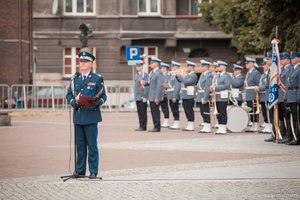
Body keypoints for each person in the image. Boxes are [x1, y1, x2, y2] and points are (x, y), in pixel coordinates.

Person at [66, 47, 107, 179]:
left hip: (91, 116)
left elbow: (104, 96)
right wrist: (73, 102)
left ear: (91, 64)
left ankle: (93, 171)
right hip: (78, 116)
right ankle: (80, 171)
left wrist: (98, 102)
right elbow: (68, 95)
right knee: (80, 146)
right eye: (81, 61)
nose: (82, 63)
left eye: (85, 61)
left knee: (92, 146)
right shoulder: (74, 79)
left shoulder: (97, 78)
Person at [271, 53, 293, 143]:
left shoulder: (288, 69)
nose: (282, 61)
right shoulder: (282, 69)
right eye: (281, 59)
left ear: (288, 60)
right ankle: (282, 135)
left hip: (285, 96)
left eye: (284, 59)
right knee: (281, 117)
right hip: (280, 96)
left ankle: (289, 135)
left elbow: (286, 84)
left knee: (287, 117)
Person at [210, 60, 232, 134]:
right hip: (216, 96)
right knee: (218, 113)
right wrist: (212, 87)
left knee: (222, 112)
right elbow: (214, 83)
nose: (218, 67)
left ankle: (223, 127)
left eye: (219, 66)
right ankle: (220, 126)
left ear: (223, 67)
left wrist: (216, 87)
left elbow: (226, 85)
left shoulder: (227, 76)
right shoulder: (217, 75)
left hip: (223, 96)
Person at [176, 61, 198, 131]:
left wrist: (180, 76)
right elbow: (181, 81)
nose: (186, 68)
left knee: (189, 110)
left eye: (188, 66)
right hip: (186, 95)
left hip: (189, 95)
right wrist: (177, 76)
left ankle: (191, 125)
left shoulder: (193, 75)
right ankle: (189, 124)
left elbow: (186, 82)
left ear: (191, 67)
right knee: (186, 110)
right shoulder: (188, 75)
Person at [285, 51, 300, 145]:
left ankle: (297, 137)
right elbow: (287, 85)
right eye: (291, 58)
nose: (292, 59)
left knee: (297, 118)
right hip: (290, 96)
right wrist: (286, 98)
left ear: (298, 58)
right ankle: (294, 136)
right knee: (293, 118)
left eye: (294, 58)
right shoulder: (291, 69)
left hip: (295, 96)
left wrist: (299, 97)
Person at [147, 57, 164, 132]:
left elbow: (159, 86)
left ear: (156, 64)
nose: (150, 64)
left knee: (156, 112)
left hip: (155, 96)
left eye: (152, 63)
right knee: (153, 112)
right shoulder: (153, 73)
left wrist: (157, 97)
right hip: (151, 96)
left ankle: (157, 127)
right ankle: (155, 126)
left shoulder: (159, 73)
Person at [244, 57, 261, 132]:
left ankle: (256, 125)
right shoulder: (249, 72)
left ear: (252, 64)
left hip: (254, 94)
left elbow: (258, 84)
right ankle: (253, 125)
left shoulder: (256, 73)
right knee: (251, 111)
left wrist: (257, 95)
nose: (246, 65)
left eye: (247, 63)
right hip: (249, 94)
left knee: (254, 110)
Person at [196, 60, 213, 133]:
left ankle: (208, 127)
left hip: (204, 95)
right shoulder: (203, 75)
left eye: (202, 66)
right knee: (202, 111)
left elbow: (207, 87)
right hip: (200, 95)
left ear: (206, 67)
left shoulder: (209, 75)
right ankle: (205, 125)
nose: (200, 67)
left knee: (206, 112)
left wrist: (205, 97)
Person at [256, 59, 272, 133]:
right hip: (262, 96)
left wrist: (258, 88)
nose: (263, 66)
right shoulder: (263, 75)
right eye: (263, 65)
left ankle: (270, 126)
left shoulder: (270, 74)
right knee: (264, 112)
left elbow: (267, 85)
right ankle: (267, 125)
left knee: (269, 112)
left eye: (265, 64)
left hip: (267, 95)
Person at [134, 60, 149, 131]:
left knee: (143, 112)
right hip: (137, 96)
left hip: (142, 96)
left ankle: (144, 126)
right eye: (136, 66)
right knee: (139, 112)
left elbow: (147, 85)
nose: (137, 67)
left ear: (142, 67)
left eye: (139, 66)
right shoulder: (136, 75)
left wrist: (145, 96)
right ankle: (141, 125)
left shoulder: (145, 74)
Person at [167, 61, 181, 130]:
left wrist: (175, 96)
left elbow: (177, 86)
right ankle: (175, 122)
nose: (172, 68)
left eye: (173, 66)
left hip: (174, 94)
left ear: (177, 67)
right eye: (172, 66)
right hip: (170, 94)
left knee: (175, 109)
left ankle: (177, 123)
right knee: (172, 109)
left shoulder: (177, 75)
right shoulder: (172, 74)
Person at [160, 62, 171, 128]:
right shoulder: (162, 75)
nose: (161, 68)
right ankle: (165, 121)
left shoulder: (167, 75)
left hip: (165, 93)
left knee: (165, 108)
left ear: (166, 69)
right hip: (161, 93)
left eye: (163, 67)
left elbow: (166, 84)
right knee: (162, 108)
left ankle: (166, 121)